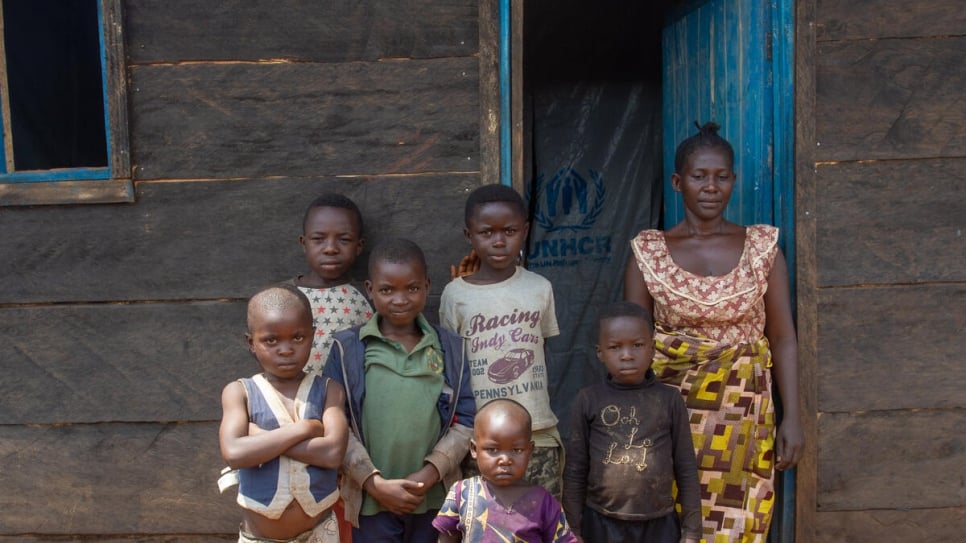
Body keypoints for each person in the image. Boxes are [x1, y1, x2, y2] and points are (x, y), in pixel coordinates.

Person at [623, 122, 804, 542]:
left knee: (739, 523)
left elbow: (782, 338)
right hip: (671, 420)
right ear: (677, 182)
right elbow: (631, 347)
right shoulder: (647, 253)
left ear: (733, 181)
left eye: (722, 177)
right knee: (674, 521)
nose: (711, 187)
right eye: (699, 176)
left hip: (745, 421)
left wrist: (792, 417)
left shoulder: (762, 248)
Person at [321, 238, 476, 542]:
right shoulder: (348, 348)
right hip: (370, 502)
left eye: (412, 288)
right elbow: (334, 424)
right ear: (369, 289)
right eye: (387, 290)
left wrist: (429, 475)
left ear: (427, 286)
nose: (400, 299)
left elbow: (467, 419)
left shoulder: (450, 348)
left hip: (433, 500)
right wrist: (372, 482)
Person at [439, 184, 563, 498]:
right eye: (487, 232)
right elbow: (451, 365)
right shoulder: (456, 294)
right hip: (480, 439)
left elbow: (540, 348)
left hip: (537, 432)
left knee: (539, 521)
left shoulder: (539, 288)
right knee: (482, 523)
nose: (498, 241)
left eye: (509, 231)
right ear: (469, 235)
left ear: (525, 231)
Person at [219, 284, 349, 543]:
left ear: (313, 335)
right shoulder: (239, 392)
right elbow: (234, 453)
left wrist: (261, 438)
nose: (286, 349)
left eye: (298, 338)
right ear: (251, 342)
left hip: (321, 534)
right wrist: (306, 428)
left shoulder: (329, 390)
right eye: (271, 340)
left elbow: (333, 453)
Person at [563, 301, 701, 543]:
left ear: (652, 348)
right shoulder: (588, 400)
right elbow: (575, 471)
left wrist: (691, 533)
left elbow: (686, 467)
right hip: (602, 522)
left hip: (659, 523)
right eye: (615, 347)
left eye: (637, 345)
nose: (627, 355)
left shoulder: (669, 399)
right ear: (600, 353)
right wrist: (573, 530)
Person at [433, 399, 577, 543]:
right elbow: (446, 538)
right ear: (474, 449)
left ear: (530, 450)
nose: (505, 460)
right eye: (493, 450)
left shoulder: (543, 501)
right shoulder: (461, 493)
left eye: (517, 450)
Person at [292, 193, 372, 377]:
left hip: (350, 401)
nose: (330, 249)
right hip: (297, 400)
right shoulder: (283, 295)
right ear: (304, 243)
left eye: (344, 240)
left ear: (359, 245)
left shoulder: (369, 296)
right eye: (318, 239)